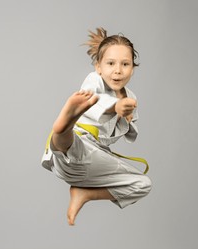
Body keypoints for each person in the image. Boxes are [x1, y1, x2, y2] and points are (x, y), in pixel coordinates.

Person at [41, 27, 152, 225]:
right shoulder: (94, 81)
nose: (118, 70)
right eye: (110, 63)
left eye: (125, 64)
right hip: (76, 148)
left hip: (93, 162)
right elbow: (94, 99)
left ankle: (85, 194)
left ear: (132, 69)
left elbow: (131, 135)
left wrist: (127, 116)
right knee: (74, 144)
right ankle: (64, 126)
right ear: (98, 67)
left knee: (143, 184)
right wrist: (115, 107)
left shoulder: (131, 97)